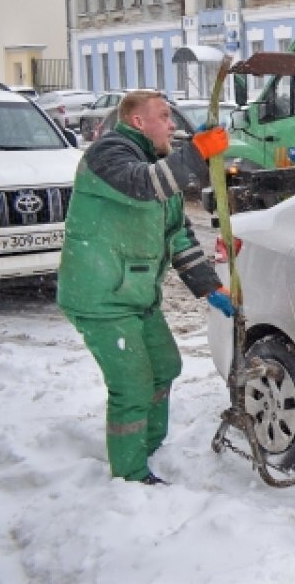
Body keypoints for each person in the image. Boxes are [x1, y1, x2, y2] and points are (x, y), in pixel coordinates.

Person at [57, 89, 235, 485]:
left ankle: (150, 446)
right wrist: (196, 155)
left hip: (136, 295)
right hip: (101, 296)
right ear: (139, 121)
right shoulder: (108, 155)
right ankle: (131, 476)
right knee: (132, 385)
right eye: (165, 116)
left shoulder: (155, 163)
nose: (172, 125)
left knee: (166, 366)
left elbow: (179, 237)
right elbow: (143, 185)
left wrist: (210, 288)